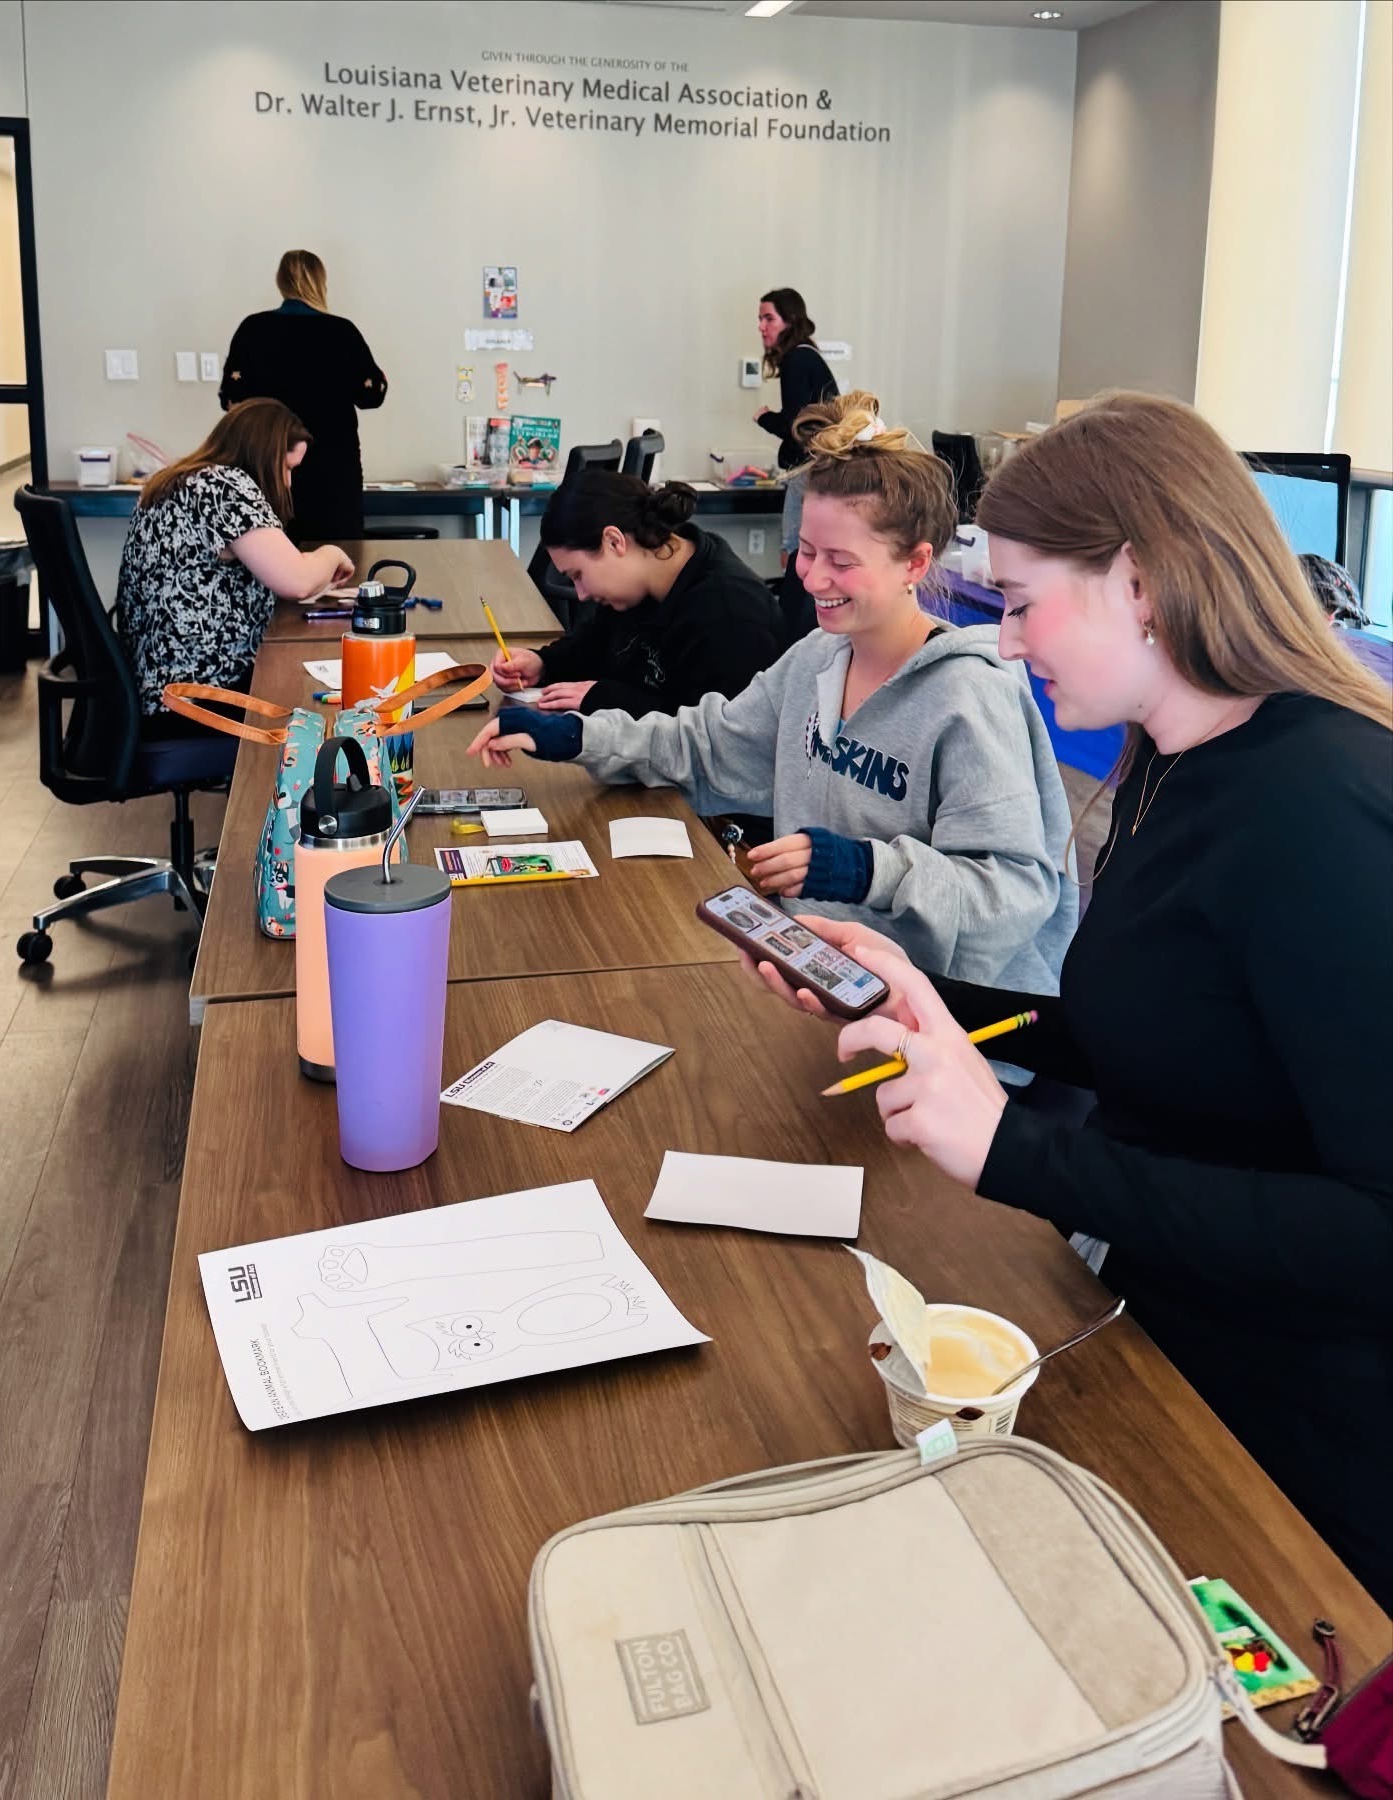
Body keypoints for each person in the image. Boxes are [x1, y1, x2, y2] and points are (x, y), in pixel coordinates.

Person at [741, 393, 1393, 1608]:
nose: (1003, 644)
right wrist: (912, 988)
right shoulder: (1174, 760)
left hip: (1305, 1453)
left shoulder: (1319, 810)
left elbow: (1374, 1230)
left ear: (1138, 583)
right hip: (1169, 1344)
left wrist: (1014, 1153)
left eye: (1023, 603)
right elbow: (1149, 1028)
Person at [472, 393, 1078, 994]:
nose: (812, 578)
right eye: (808, 552)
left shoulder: (969, 699)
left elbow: (1013, 895)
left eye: (841, 560)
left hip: (936, 1017)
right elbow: (708, 745)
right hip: (818, 974)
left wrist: (869, 870)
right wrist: (582, 734)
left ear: (915, 564)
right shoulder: (816, 660)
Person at [117, 397, 354, 726]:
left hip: (161, 685)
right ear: (263, 454)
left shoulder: (180, 481)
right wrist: (332, 554)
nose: (287, 483)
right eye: (286, 468)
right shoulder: (224, 487)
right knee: (328, 705)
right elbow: (297, 580)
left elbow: (273, 564)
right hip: (199, 696)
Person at [490, 470, 782, 719]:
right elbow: (593, 645)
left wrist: (607, 699)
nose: (580, 594)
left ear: (614, 541)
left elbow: (714, 734)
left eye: (578, 575)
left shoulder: (729, 614)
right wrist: (543, 663)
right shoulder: (637, 586)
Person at [219, 250, 386, 540]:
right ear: (321, 282)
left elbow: (231, 399)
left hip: (265, 465)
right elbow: (371, 396)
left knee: (265, 558)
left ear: (280, 282)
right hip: (333, 470)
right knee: (338, 559)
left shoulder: (253, 330)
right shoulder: (342, 332)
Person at [754, 288, 838, 472]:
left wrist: (764, 418)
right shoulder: (806, 354)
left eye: (769, 318)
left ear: (789, 321)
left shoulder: (796, 360)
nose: (761, 326)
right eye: (760, 319)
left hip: (809, 469)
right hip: (820, 464)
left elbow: (793, 427)